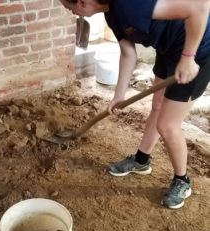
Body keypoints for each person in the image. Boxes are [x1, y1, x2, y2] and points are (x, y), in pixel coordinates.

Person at [59, 0, 210, 209]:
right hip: (170, 49)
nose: (70, 11)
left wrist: (188, 57)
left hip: (197, 52)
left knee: (167, 125)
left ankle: (182, 180)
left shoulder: (129, 4)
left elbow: (200, 7)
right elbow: (128, 53)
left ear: (83, 3)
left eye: (69, 7)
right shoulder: (111, 14)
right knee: (157, 106)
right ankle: (141, 161)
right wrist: (118, 95)